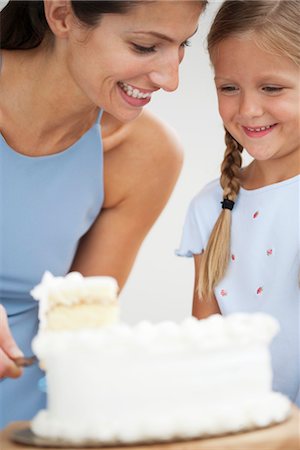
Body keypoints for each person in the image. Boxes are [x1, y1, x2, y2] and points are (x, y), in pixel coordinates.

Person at [0, 0, 207, 427]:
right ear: (61, 16)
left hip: (31, 430)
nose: (171, 80)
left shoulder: (145, 155)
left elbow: (80, 327)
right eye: (146, 46)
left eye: (182, 44)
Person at [177, 0, 300, 406]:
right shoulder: (210, 206)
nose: (247, 109)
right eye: (229, 87)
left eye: (272, 87)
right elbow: (207, 350)